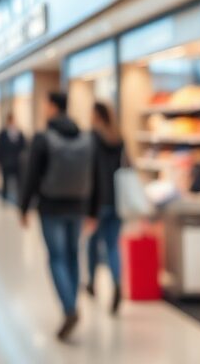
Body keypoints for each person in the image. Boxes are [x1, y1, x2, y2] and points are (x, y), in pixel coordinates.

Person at [20, 92, 93, 342]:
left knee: (56, 257)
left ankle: (69, 307)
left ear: (52, 107)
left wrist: (23, 206)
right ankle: (72, 304)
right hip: (78, 206)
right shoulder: (84, 137)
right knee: (73, 255)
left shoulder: (43, 138)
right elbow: (92, 175)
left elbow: (31, 175)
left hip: (51, 207)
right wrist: (92, 209)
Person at [86, 102, 126, 315]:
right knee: (112, 246)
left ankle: (92, 283)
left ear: (97, 116)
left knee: (92, 242)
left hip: (98, 200)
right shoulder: (118, 138)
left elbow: (90, 171)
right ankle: (117, 282)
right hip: (118, 199)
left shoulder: (92, 139)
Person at [0, 113, 26, 201]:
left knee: (18, 182)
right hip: (6, 162)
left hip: (17, 162)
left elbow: (23, 148)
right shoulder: (3, 133)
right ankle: (4, 198)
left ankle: (18, 198)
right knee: (5, 181)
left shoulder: (19, 133)